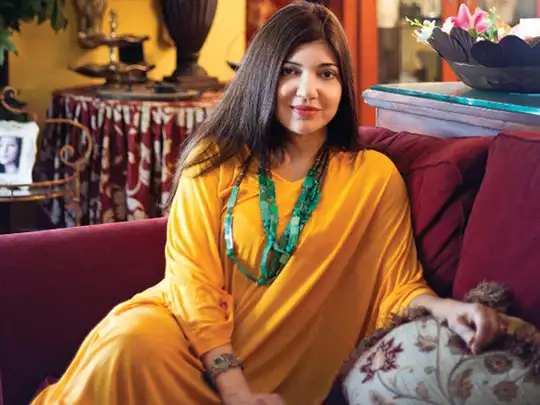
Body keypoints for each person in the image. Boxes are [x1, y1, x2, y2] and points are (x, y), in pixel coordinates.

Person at [31, 2, 506, 405]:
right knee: (129, 343)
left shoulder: (372, 178)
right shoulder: (214, 160)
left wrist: (446, 310)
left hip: (280, 377)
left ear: (343, 85)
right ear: (262, 76)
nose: (308, 91)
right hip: (185, 349)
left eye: (326, 74)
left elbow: (396, 287)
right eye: (289, 71)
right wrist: (234, 389)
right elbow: (192, 284)